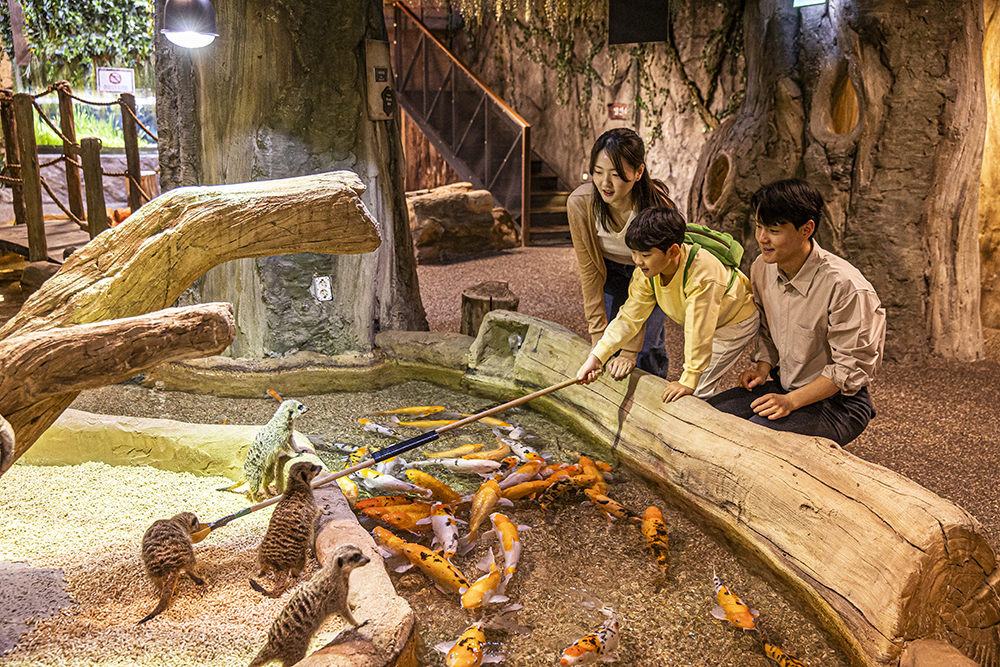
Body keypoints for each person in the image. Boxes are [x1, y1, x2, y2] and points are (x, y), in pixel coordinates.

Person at [708, 179, 886, 446]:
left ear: (807, 229)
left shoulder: (846, 287)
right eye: (759, 226)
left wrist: (791, 401)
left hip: (839, 403)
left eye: (773, 230)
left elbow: (849, 368)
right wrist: (762, 369)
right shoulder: (762, 267)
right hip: (784, 386)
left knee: (750, 439)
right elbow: (766, 328)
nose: (762, 238)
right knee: (707, 418)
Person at [576, 206, 759, 400]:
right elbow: (629, 317)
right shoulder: (647, 272)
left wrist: (689, 379)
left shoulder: (702, 274)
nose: (637, 261)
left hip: (735, 322)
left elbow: (698, 329)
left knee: (697, 388)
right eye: (634, 253)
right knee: (694, 380)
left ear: (672, 251)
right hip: (710, 320)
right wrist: (598, 356)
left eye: (645, 255)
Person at [568, 128, 675, 379]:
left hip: (652, 273)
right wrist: (598, 343)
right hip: (610, 270)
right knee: (609, 342)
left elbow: (650, 281)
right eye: (598, 172)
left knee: (645, 348)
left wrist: (630, 350)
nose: (605, 183)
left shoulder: (656, 207)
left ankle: (656, 392)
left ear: (638, 172)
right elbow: (589, 272)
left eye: (616, 174)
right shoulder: (580, 204)